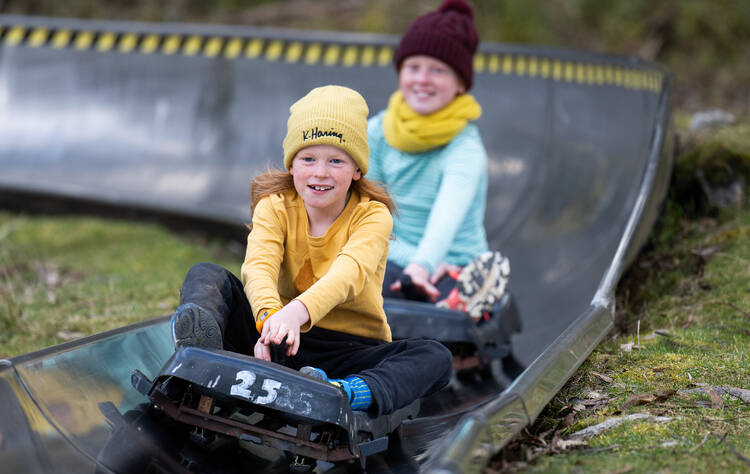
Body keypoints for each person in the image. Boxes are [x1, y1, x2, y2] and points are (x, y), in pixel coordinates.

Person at [171, 85, 451, 415]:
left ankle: (340, 394)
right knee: (207, 275)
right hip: (274, 336)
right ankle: (202, 359)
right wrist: (269, 318)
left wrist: (296, 313)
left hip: (346, 350)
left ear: (357, 170)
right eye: (308, 159)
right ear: (292, 165)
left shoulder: (373, 215)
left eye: (336, 160)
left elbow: (349, 274)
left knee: (436, 356)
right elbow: (259, 266)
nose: (320, 172)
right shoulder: (274, 205)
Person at [368, 0, 510, 320]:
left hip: (453, 261)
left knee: (444, 298)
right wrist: (412, 262)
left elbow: (445, 220)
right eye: (413, 67)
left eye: (438, 70)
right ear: (400, 71)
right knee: (368, 276)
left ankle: (468, 308)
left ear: (460, 83)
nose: (423, 79)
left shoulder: (464, 149)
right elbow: (368, 209)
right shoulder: (378, 131)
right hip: (397, 254)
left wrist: (424, 266)